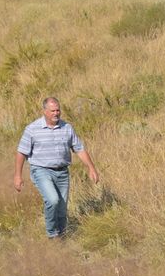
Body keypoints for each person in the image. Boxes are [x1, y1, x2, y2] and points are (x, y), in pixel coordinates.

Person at [13, 96, 100, 238]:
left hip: (62, 172)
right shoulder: (32, 129)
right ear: (45, 111)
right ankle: (52, 234)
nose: (56, 113)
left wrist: (91, 168)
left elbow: (79, 149)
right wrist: (18, 175)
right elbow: (21, 152)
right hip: (41, 170)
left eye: (58, 110)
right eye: (52, 111)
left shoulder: (67, 128)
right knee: (52, 200)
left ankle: (62, 234)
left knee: (61, 207)